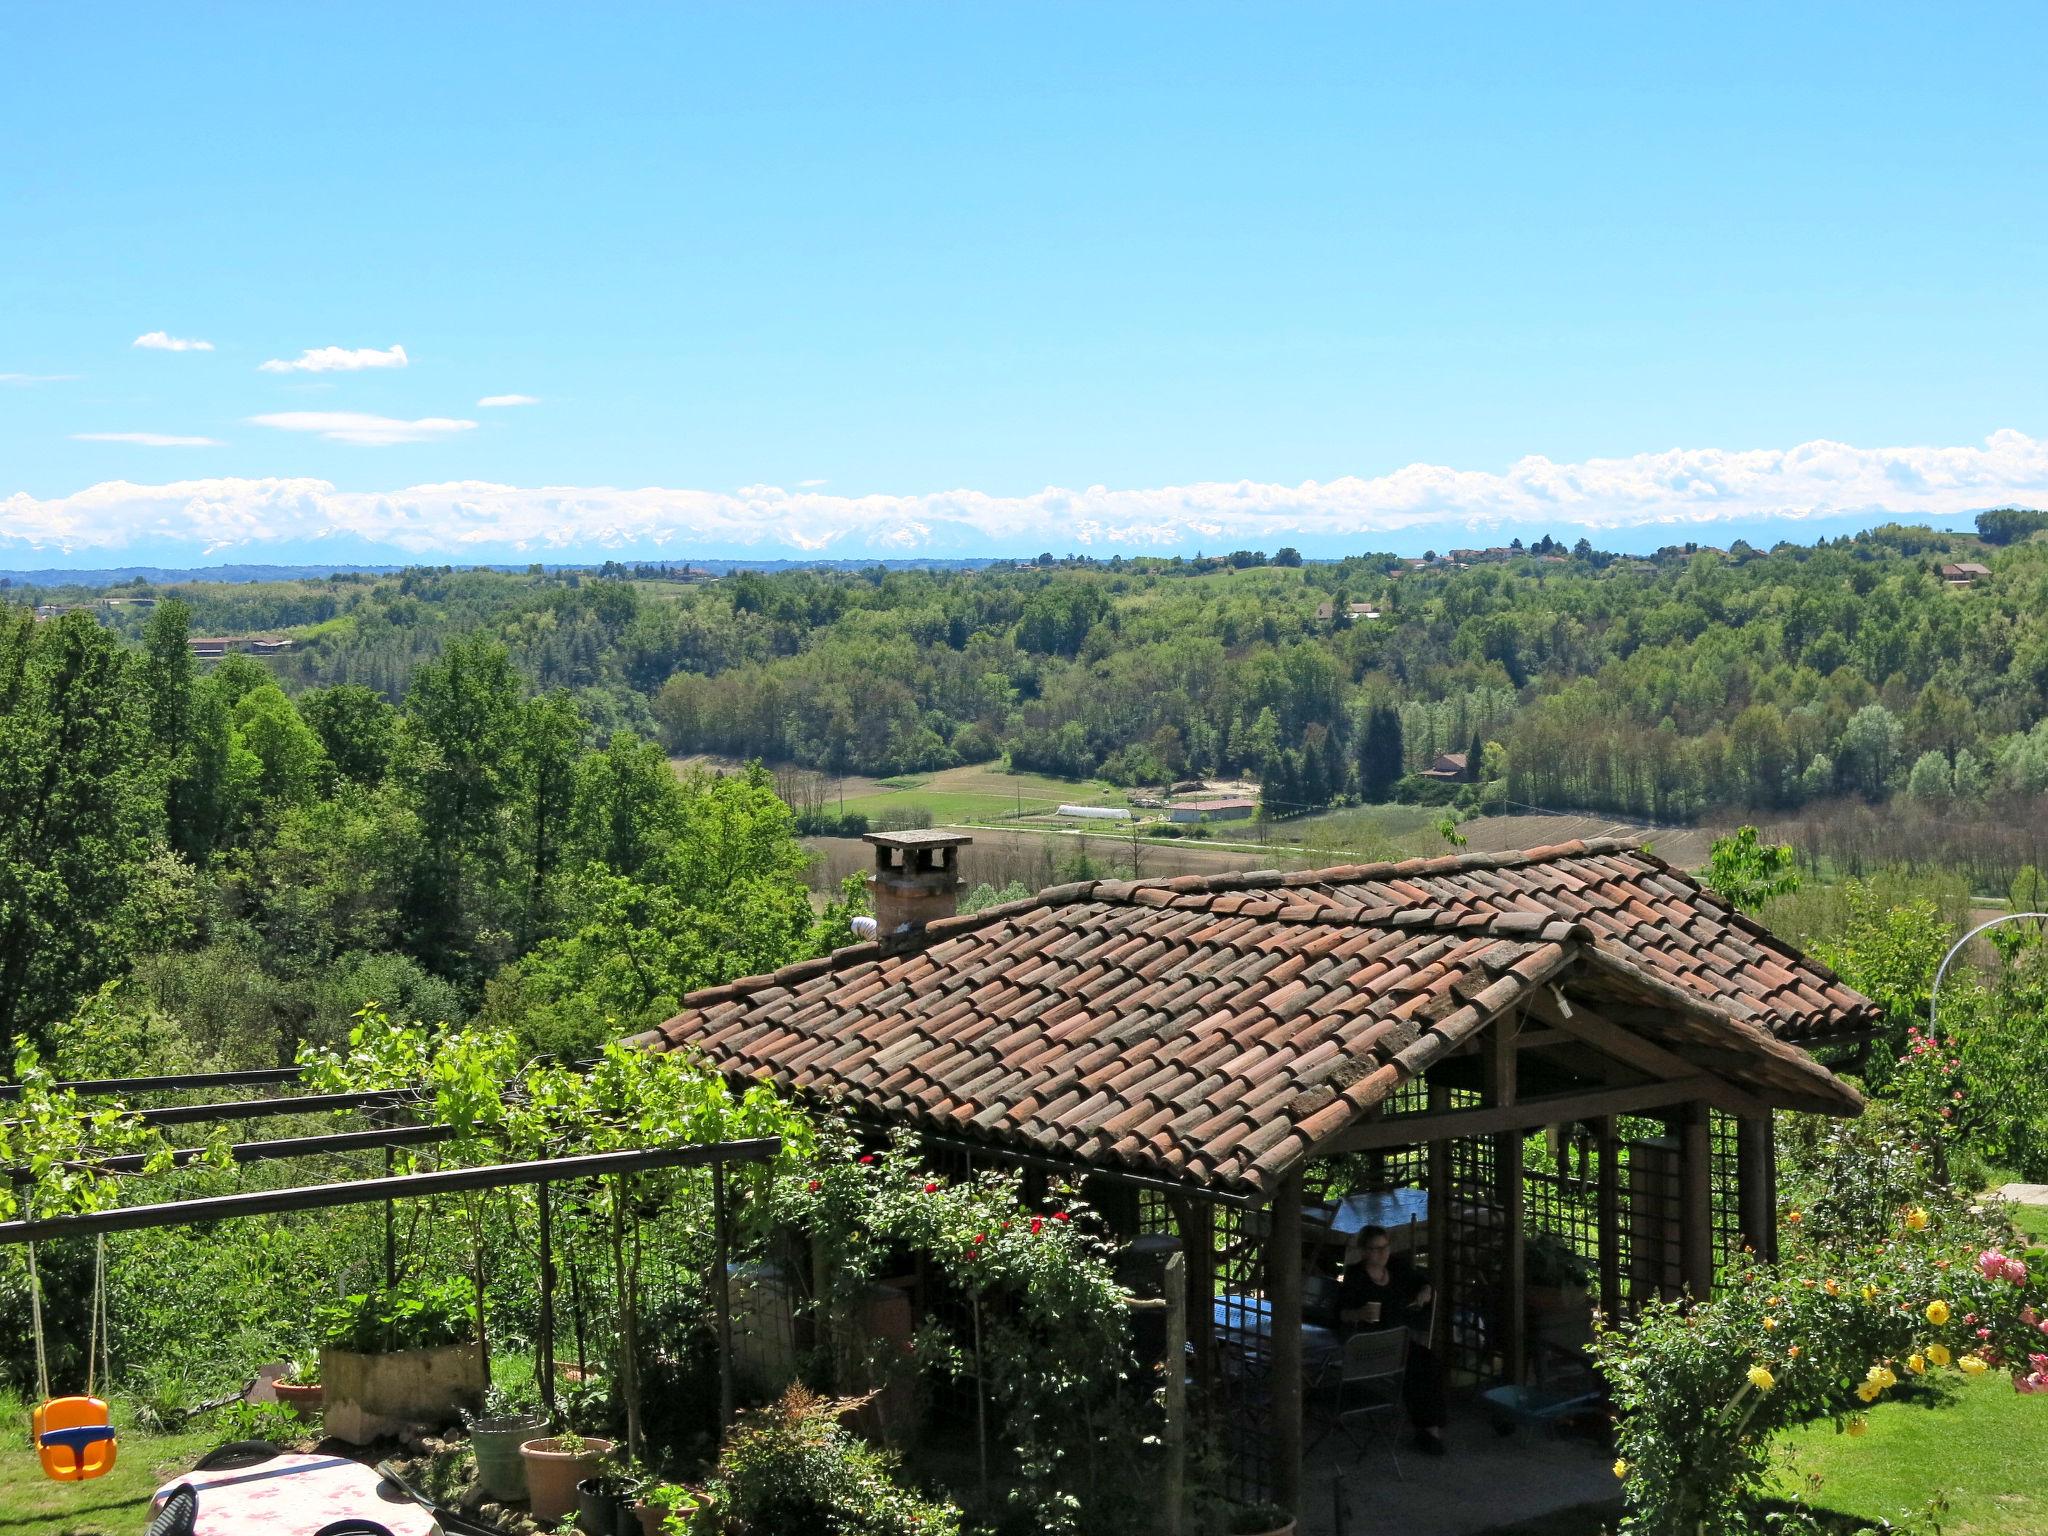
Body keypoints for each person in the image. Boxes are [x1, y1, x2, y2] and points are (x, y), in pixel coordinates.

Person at [1336, 1224, 1448, 1455]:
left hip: (1398, 1340)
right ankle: (1426, 1428)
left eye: (1384, 1247)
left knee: (1429, 1362)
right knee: (1414, 1368)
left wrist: (1424, 1291)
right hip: (1371, 1345)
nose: (1381, 1253)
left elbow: (1422, 1282)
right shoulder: (1355, 1277)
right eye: (1374, 1249)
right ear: (1364, 1251)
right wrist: (1359, 1314)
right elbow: (1340, 1313)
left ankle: (1430, 1428)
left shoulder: (1397, 1267)